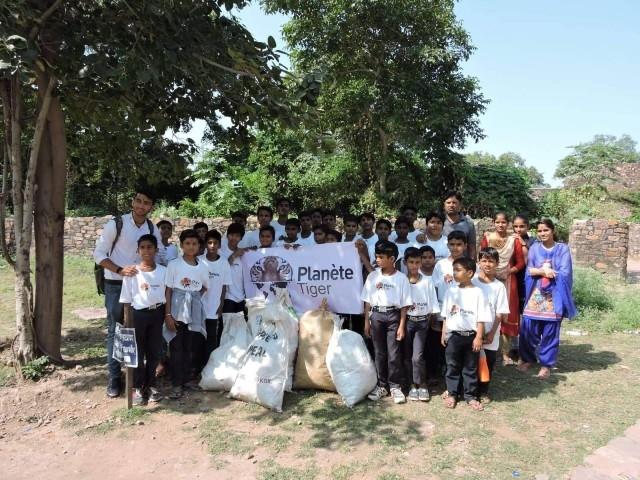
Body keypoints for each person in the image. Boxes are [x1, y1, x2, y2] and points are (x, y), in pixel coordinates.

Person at [93, 189, 163, 398]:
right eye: (138, 201)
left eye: (146, 203)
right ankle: (115, 379)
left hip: (142, 288)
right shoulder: (117, 224)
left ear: (151, 207)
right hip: (116, 284)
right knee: (117, 331)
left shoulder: (152, 227)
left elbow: (159, 257)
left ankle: (140, 380)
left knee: (141, 333)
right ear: (133, 202)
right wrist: (120, 270)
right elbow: (98, 254)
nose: (141, 206)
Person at [518, 219, 577, 379]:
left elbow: (565, 272)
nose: (542, 233)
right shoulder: (535, 248)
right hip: (535, 294)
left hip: (554, 295)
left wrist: (547, 272)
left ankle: (546, 365)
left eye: (546, 230)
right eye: (540, 231)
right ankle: (527, 358)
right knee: (528, 328)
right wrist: (543, 272)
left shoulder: (562, 249)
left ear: (553, 230)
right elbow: (529, 270)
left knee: (550, 331)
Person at [119, 234, 167, 405]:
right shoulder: (131, 272)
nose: (146, 251)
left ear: (156, 250)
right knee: (138, 354)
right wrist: (127, 323)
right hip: (138, 316)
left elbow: (167, 295)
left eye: (150, 247)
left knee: (154, 352)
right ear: (138, 250)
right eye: (143, 247)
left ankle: (151, 384)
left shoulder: (163, 271)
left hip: (157, 314)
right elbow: (126, 300)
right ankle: (139, 387)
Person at [362, 241, 412, 404]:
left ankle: (395, 386)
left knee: (393, 353)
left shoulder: (401, 278)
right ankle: (381, 385)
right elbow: (367, 301)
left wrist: (401, 325)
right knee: (379, 352)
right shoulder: (373, 276)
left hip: (393, 317)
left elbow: (405, 305)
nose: (377, 260)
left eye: (381, 257)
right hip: (376, 315)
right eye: (376, 256)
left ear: (392, 259)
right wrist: (367, 322)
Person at [164, 229, 209, 399]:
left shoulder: (202, 267)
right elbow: (168, 290)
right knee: (176, 347)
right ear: (181, 245)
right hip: (176, 310)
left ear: (199, 246)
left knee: (191, 346)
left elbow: (204, 287)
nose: (191, 247)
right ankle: (176, 383)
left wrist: (193, 300)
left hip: (193, 311)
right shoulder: (174, 264)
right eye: (187, 243)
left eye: (195, 243)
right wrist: (168, 314)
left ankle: (187, 380)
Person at [440, 257, 491, 411]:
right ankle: (452, 394)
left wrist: (478, 337)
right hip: (454, 336)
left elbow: (481, 318)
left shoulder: (478, 293)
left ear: (469, 273)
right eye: (453, 270)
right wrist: (444, 333)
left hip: (471, 336)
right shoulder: (451, 291)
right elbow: (446, 315)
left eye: (458, 270)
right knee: (452, 365)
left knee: (470, 367)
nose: (454, 273)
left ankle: (470, 396)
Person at [480, 212, 525, 365]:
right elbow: (482, 258)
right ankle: (484, 347)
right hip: (487, 279)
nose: (501, 225)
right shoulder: (487, 238)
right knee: (486, 310)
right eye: (498, 222)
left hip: (508, 281)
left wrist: (509, 271)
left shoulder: (514, 241)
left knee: (507, 315)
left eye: (504, 222)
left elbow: (520, 262)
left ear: (508, 224)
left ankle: (505, 354)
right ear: (493, 222)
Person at [472, 248, 509, 404]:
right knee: (470, 362)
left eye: (491, 261)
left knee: (488, 362)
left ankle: (484, 391)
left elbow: (500, 313)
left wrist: (492, 333)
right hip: (472, 331)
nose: (487, 264)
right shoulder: (471, 282)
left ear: (497, 263)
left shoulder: (499, 286)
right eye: (484, 261)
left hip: (490, 333)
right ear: (478, 262)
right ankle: (470, 391)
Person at [430, 231, 469, 381]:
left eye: (459, 244)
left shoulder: (471, 265)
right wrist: (434, 312)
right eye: (452, 244)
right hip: (442, 311)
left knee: (458, 345)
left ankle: (458, 375)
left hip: (464, 314)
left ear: (465, 246)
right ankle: (440, 372)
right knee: (440, 342)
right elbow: (434, 288)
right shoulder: (440, 265)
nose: (455, 247)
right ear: (447, 245)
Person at [403, 248, 440, 402]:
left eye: (417, 262)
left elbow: (432, 304)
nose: (414, 265)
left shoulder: (427, 281)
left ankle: (422, 383)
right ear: (405, 263)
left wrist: (430, 321)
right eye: (411, 262)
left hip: (422, 322)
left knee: (417, 356)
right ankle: (412, 384)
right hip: (406, 322)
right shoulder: (401, 280)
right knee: (407, 355)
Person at [199, 229, 232, 369]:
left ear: (219, 245)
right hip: (199, 306)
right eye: (209, 242)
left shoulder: (224, 263)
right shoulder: (199, 261)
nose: (212, 245)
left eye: (215, 243)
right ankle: (198, 367)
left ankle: (210, 367)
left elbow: (224, 286)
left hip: (214, 306)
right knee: (198, 338)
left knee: (212, 338)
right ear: (206, 244)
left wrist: (221, 304)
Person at [441, 191, 476, 259]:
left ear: (460, 205)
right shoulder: (439, 222)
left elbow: (472, 246)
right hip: (443, 264)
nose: (451, 205)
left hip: (463, 265)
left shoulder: (468, 223)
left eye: (454, 203)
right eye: (448, 203)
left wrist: (473, 263)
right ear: (444, 205)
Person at [512, 213, 536, 315]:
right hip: (513, 276)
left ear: (527, 226)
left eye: (522, 226)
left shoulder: (533, 241)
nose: (518, 229)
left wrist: (522, 242)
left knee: (526, 304)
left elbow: (532, 257)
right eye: (515, 226)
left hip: (528, 277)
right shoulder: (511, 239)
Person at [224, 223, 247, 314]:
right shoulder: (220, 252)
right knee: (227, 327)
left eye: (237, 236)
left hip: (241, 298)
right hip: (227, 297)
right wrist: (234, 255)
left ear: (241, 238)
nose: (234, 238)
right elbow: (222, 268)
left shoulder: (244, 254)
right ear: (227, 235)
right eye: (231, 235)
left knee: (240, 327)